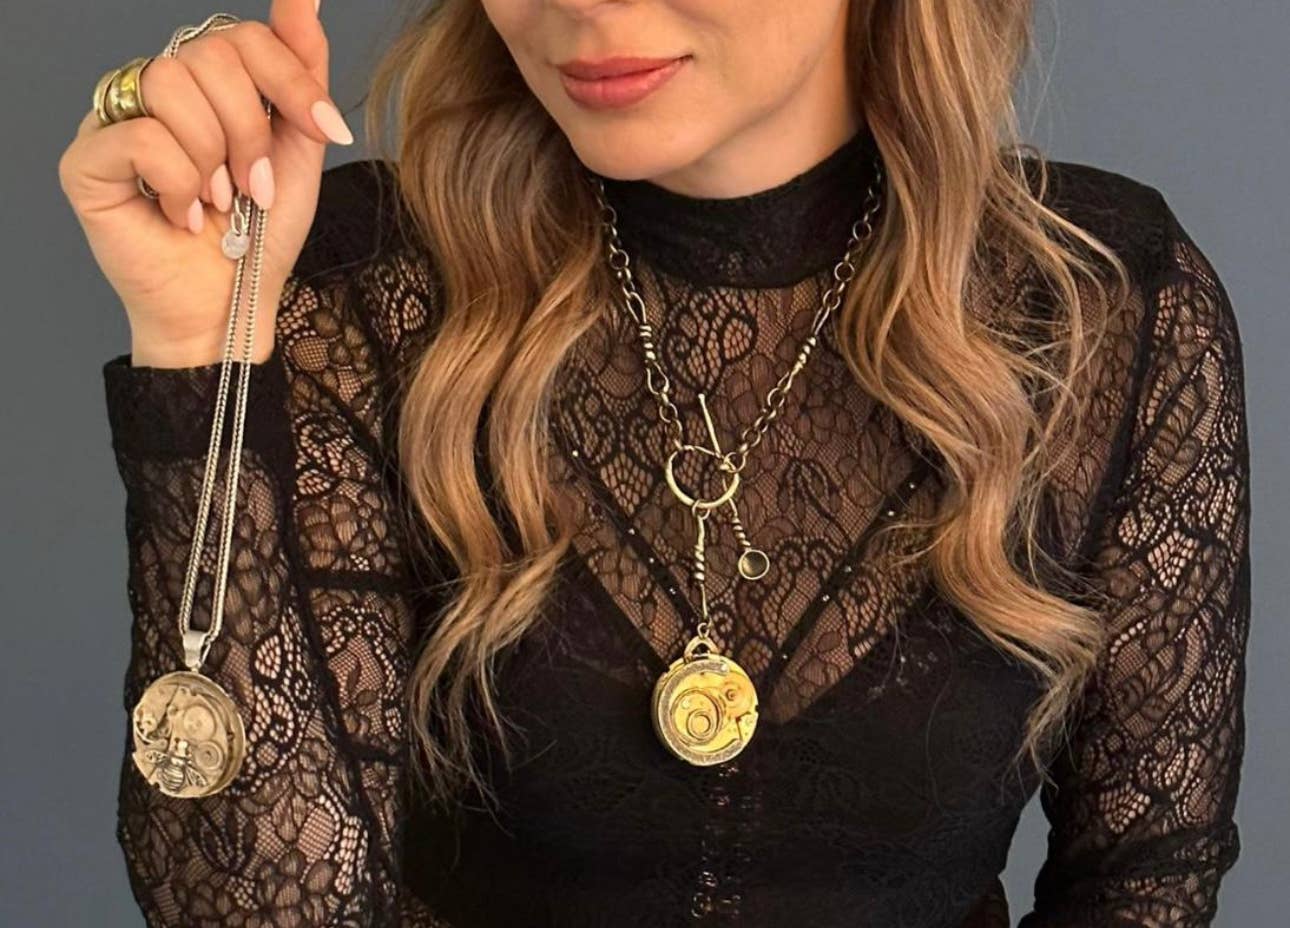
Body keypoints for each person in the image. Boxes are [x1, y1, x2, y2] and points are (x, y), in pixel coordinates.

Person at [58, 0, 1251, 925]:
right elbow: (267, 904)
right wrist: (200, 351)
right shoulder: (353, 290)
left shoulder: (1106, 308)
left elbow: (1143, 879)